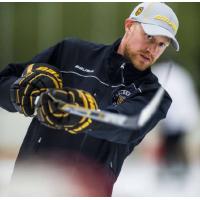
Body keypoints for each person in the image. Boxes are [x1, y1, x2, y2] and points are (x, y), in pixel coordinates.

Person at [0, 2, 179, 196]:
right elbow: (4, 81)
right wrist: (18, 93)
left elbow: (129, 124)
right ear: (129, 26)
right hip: (30, 185)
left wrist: (86, 116)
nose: (152, 49)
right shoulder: (70, 53)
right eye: (149, 36)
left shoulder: (153, 95)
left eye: (161, 44)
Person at [152, 61, 199, 177]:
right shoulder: (180, 75)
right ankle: (177, 168)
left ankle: (174, 169)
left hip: (175, 118)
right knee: (175, 143)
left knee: (171, 144)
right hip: (182, 118)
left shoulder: (161, 74)